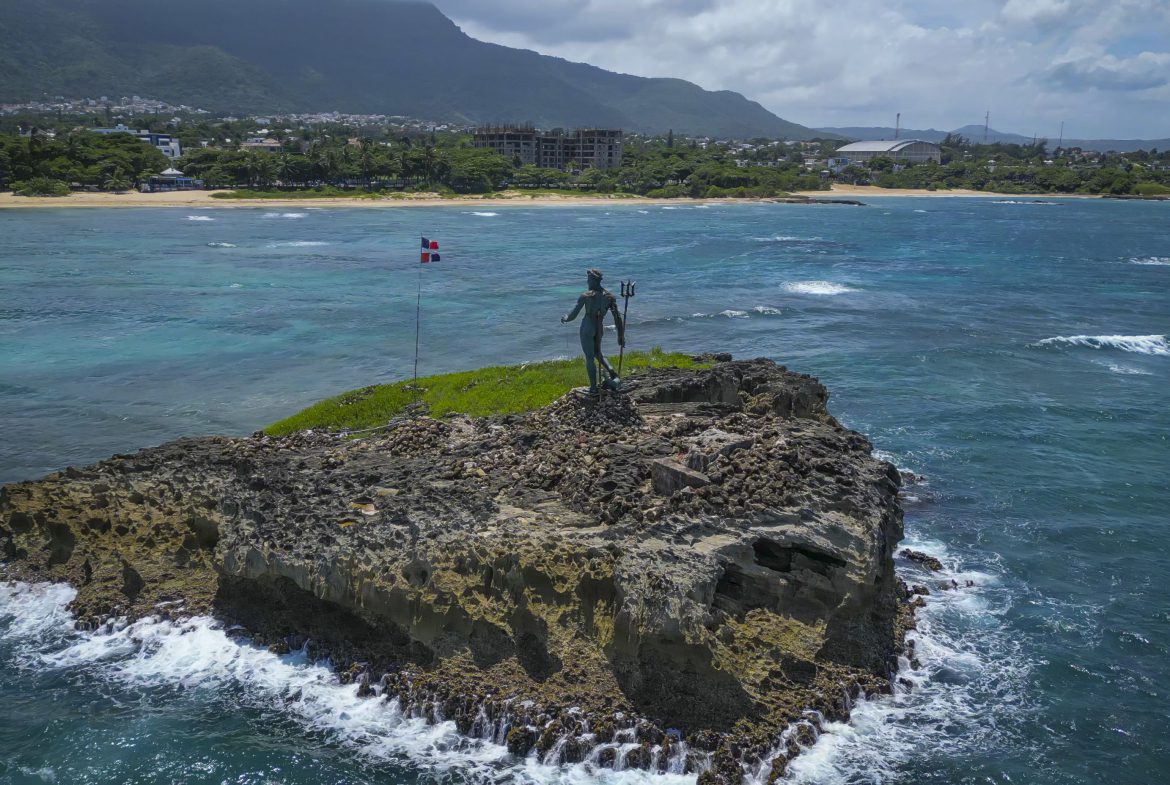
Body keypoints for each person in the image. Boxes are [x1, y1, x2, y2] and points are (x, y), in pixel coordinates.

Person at [561, 268, 625, 393]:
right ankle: (613, 373)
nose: (587, 282)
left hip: (588, 326)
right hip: (599, 326)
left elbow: (573, 315)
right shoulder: (609, 297)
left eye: (588, 279)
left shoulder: (586, 296)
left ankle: (593, 388)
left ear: (592, 280)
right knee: (598, 353)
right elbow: (618, 318)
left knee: (590, 357)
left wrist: (565, 318)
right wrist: (620, 335)